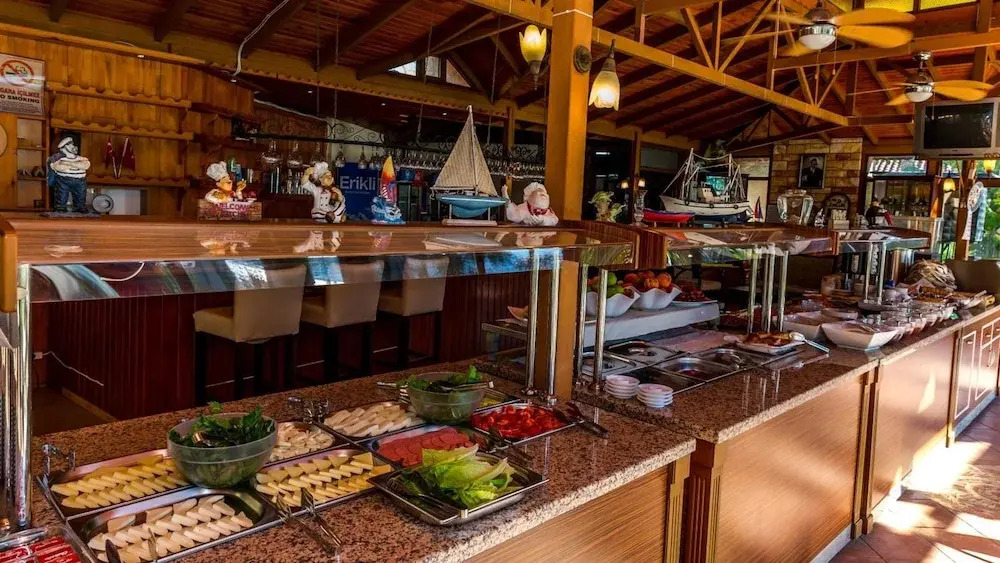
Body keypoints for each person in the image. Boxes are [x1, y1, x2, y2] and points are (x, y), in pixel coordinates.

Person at [48, 135, 92, 213]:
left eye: (73, 144)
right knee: (61, 195)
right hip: (63, 180)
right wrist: (76, 165)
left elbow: (86, 165)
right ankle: (61, 207)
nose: (73, 147)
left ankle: (80, 207)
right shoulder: (59, 159)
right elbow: (58, 167)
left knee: (80, 195)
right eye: (70, 145)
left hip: (80, 181)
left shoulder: (80, 158)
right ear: (64, 148)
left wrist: (69, 164)